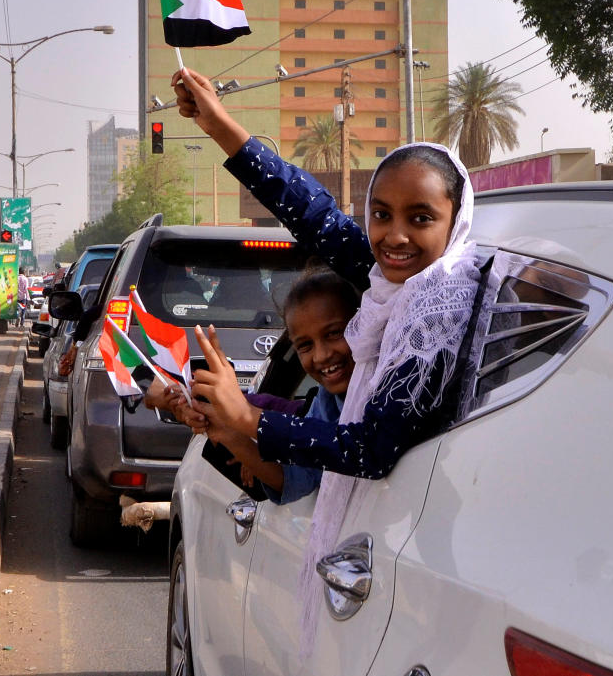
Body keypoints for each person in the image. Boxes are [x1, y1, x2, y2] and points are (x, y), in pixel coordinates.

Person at [174, 65, 481, 653]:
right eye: (381, 214)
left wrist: (252, 424)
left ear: (454, 220)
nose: (394, 236)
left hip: (429, 556)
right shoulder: (387, 286)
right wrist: (218, 124)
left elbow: (369, 446)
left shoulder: (441, 313)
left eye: (421, 218)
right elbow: (307, 209)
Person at [151, 266, 361, 504]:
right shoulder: (324, 404)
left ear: (365, 324)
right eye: (304, 346)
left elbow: (354, 447)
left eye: (334, 333)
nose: (321, 356)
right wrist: (229, 433)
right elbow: (299, 477)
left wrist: (247, 420)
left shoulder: (386, 398)